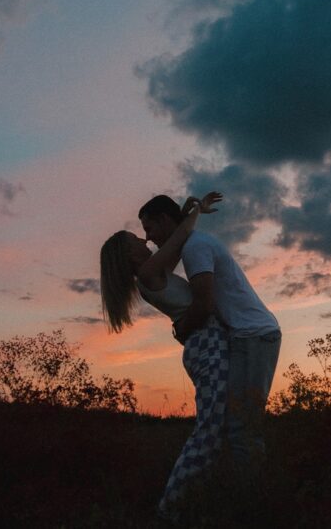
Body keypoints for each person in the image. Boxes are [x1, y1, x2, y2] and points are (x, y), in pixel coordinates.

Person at [99, 191, 224, 517]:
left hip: (202, 343)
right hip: (205, 343)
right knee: (209, 429)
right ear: (129, 253)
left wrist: (183, 215)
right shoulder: (148, 274)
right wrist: (195, 211)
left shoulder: (153, 271)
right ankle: (171, 508)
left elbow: (176, 242)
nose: (145, 240)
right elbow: (181, 236)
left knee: (217, 424)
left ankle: (196, 500)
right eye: (136, 239)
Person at [138, 195, 281, 470]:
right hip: (246, 336)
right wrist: (194, 213)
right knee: (235, 424)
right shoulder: (193, 244)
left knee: (242, 427)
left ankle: (256, 501)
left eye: (149, 228)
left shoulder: (196, 248)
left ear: (165, 220)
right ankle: (244, 493)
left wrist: (181, 330)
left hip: (253, 336)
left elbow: (205, 304)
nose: (148, 238)